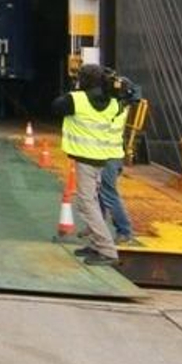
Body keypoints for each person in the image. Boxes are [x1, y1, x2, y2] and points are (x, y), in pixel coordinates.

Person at [54, 64, 128, 266]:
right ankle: (96, 244)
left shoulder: (77, 99)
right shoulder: (114, 103)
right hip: (101, 158)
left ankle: (106, 249)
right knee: (93, 201)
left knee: (87, 204)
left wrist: (76, 90)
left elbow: (56, 106)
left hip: (85, 159)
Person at [97, 71, 142, 245]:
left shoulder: (112, 108)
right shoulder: (122, 105)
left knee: (108, 194)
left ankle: (124, 230)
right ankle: (97, 225)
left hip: (108, 157)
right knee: (100, 193)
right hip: (111, 155)